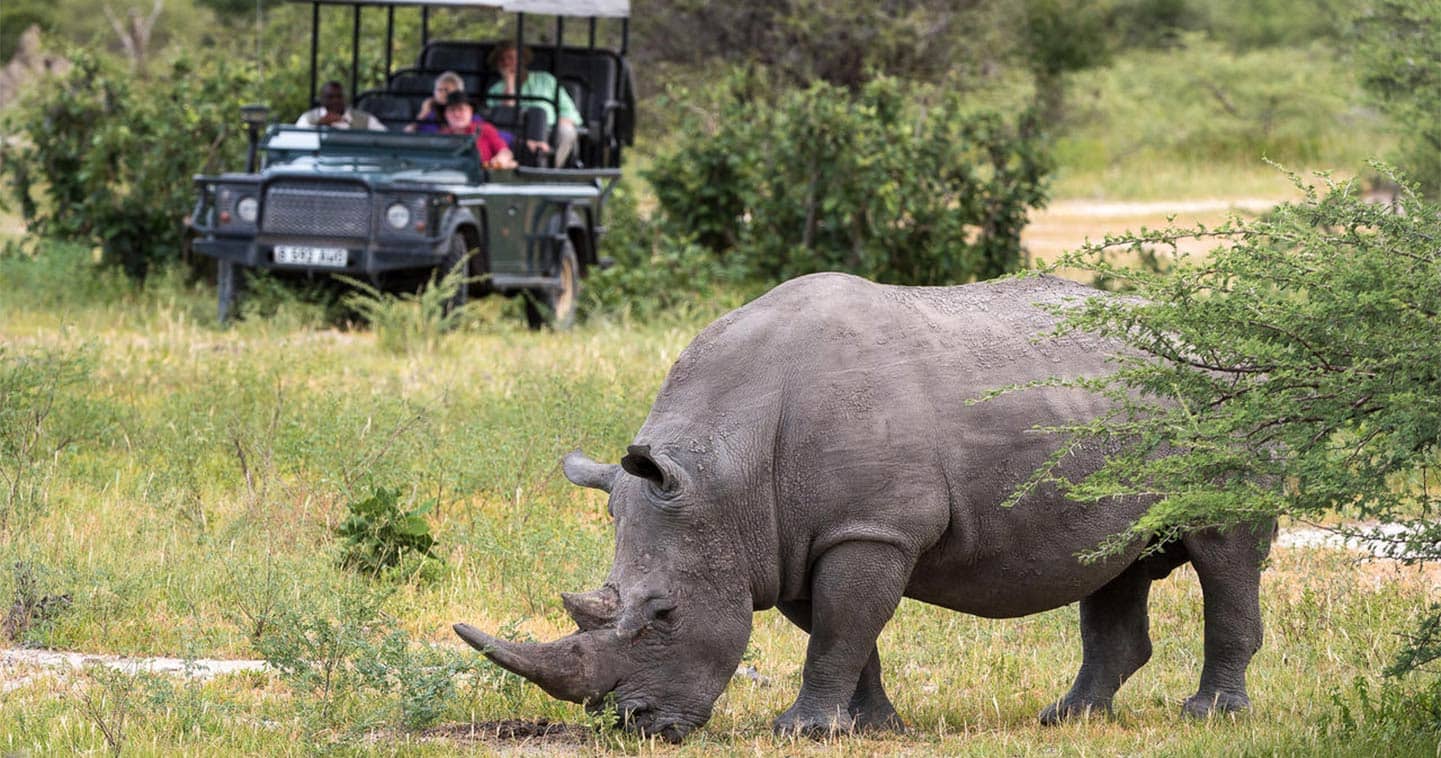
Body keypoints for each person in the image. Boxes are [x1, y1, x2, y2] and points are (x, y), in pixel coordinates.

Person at [487, 41, 580, 166]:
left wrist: (557, 124)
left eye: (510, 58)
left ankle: (550, 172)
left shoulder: (546, 80)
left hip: (548, 129)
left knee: (567, 131)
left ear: (522, 60)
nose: (507, 63)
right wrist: (509, 83)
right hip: (513, 133)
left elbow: (569, 112)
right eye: (502, 60)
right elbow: (502, 118)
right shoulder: (495, 90)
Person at [438, 91, 517, 170]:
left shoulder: (485, 129)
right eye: (452, 110)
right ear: (445, 114)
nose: (457, 114)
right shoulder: (441, 136)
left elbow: (505, 152)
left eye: (461, 109)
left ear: (471, 111)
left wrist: (500, 160)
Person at [295, 80, 386, 130]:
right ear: (322, 99)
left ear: (345, 98)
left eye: (339, 96)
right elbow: (297, 139)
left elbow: (385, 138)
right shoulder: (308, 118)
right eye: (330, 97)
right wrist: (320, 124)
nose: (335, 101)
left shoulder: (365, 119)